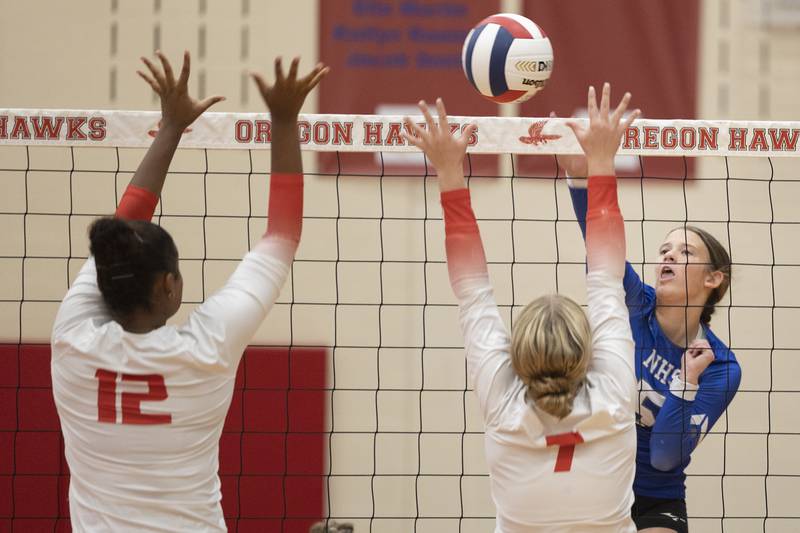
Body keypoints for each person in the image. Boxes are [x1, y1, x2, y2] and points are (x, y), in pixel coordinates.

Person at [50, 50, 328, 531]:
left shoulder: (72, 340)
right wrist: (284, 121)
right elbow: (281, 236)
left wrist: (170, 129)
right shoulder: (206, 350)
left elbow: (122, 231)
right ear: (167, 286)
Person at [403, 84, 640, 532]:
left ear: (518, 354)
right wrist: (601, 165)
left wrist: (449, 172)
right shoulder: (612, 393)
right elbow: (608, 279)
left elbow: (472, 289)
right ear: (586, 353)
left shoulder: (508, 401)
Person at [560, 122, 741, 533]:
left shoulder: (720, 367)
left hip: (657, 496)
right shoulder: (635, 302)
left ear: (714, 279)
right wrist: (577, 177)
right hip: (595, 482)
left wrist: (685, 383)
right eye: (664, 249)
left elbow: (663, 456)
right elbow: (600, 243)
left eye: (685, 252)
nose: (668, 256)